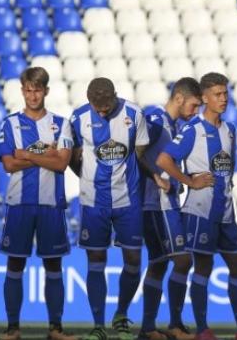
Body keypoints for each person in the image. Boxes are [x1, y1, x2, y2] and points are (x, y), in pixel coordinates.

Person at [156, 72, 237, 340]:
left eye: (225, 93)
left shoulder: (230, 130)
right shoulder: (193, 130)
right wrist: (189, 181)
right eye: (218, 94)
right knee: (203, 267)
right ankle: (203, 329)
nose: (223, 98)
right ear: (204, 98)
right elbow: (164, 159)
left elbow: (227, 169)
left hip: (226, 213)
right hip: (200, 212)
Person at [0, 67, 76, 340]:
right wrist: (45, 154)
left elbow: (62, 163)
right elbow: (8, 164)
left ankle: (55, 329)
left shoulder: (62, 124)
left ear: (46, 91)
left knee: (53, 266)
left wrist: (26, 154)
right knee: (15, 265)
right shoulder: (10, 123)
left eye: (37, 90)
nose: (32, 95)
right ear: (22, 91)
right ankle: (13, 328)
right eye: (28, 90)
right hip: (19, 205)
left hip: (51, 205)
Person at [69, 78, 149, 340]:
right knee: (96, 261)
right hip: (94, 202)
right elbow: (73, 156)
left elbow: (139, 153)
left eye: (107, 107)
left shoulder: (134, 114)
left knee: (134, 260)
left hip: (128, 200)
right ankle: (98, 325)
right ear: (89, 100)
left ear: (116, 95)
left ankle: (121, 314)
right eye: (98, 108)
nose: (102, 113)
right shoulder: (78, 118)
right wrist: (87, 178)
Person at [137, 78, 202, 340]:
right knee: (181, 260)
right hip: (155, 204)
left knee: (160, 264)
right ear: (178, 99)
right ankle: (170, 325)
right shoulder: (155, 120)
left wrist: (177, 180)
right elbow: (135, 152)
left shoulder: (176, 127)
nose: (195, 111)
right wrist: (156, 177)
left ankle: (149, 328)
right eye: (194, 105)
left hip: (167, 203)